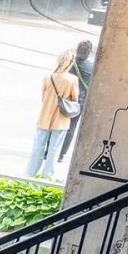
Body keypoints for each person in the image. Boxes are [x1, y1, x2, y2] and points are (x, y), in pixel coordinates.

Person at [27, 49, 79, 180]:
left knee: (38, 147)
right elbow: (74, 99)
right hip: (61, 119)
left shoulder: (48, 77)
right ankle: (47, 176)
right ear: (70, 63)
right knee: (54, 150)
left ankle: (30, 174)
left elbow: (43, 98)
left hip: (44, 117)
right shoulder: (72, 80)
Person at [57, 39, 95, 163]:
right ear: (89, 53)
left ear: (77, 49)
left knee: (56, 124)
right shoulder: (91, 67)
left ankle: (50, 150)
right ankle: (61, 154)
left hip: (64, 100)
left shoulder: (67, 63)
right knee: (71, 128)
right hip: (79, 103)